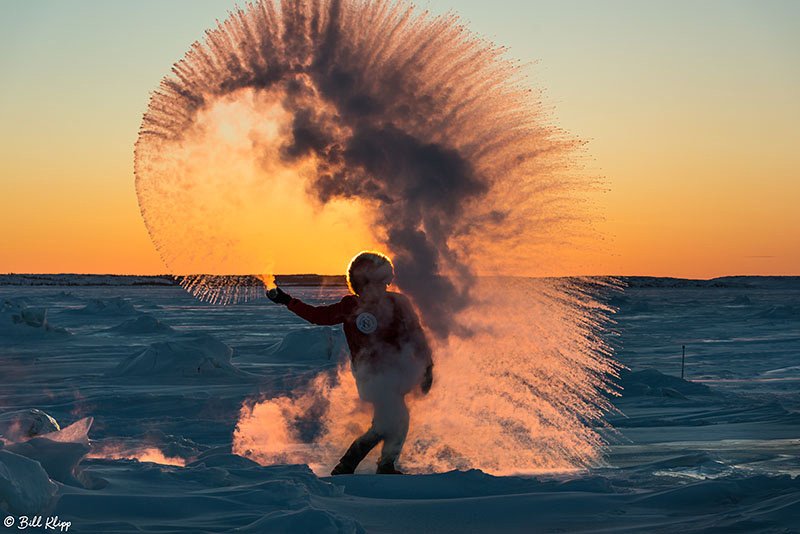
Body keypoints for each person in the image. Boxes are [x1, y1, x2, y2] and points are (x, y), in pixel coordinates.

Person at [268, 251, 433, 475]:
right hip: (371, 376)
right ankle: (356, 466)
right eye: (378, 281)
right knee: (392, 420)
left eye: (385, 281)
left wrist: (427, 368)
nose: (383, 286)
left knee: (394, 420)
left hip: (399, 373)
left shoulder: (398, 303)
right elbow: (319, 316)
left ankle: (375, 465)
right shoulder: (349, 307)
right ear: (361, 282)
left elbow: (416, 335)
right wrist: (288, 301)